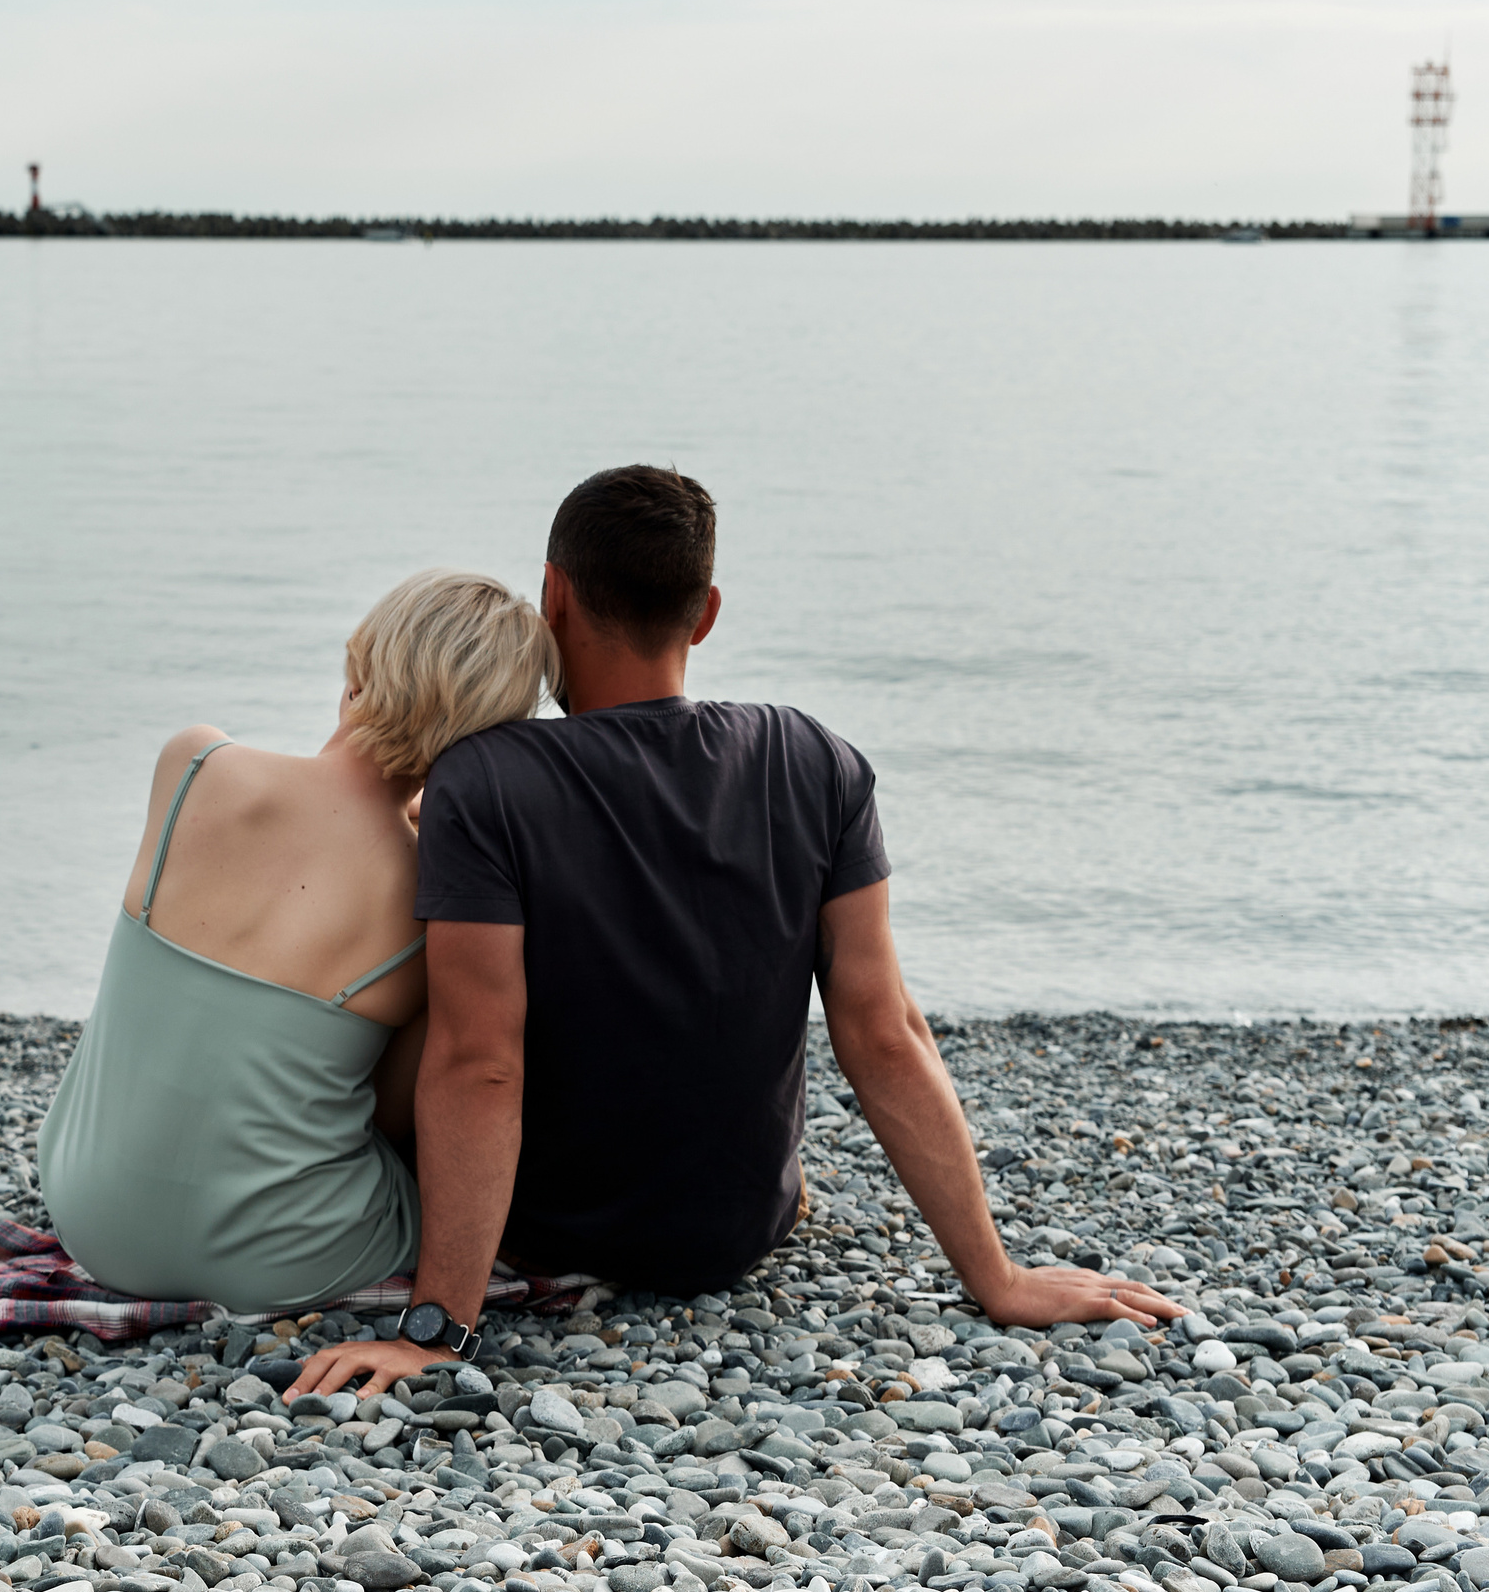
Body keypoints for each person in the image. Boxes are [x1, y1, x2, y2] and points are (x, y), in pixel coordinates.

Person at [289, 467, 1184, 1399]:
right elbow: (883, 1030)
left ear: (552, 596)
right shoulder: (816, 759)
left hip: (550, 1231)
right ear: (706, 612)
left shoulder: (490, 779)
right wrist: (996, 1279)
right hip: (739, 1232)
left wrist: (437, 1331)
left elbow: (480, 1062)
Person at [36, 569, 560, 1314]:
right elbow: (392, 1112)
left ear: (358, 664)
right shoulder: (428, 896)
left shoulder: (194, 765)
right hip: (288, 1257)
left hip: (93, 1220)